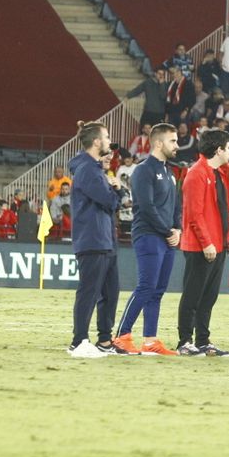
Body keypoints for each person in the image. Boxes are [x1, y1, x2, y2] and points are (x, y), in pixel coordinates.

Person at [66, 122, 133, 358]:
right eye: (106, 137)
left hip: (105, 239)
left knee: (110, 291)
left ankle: (105, 340)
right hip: (92, 239)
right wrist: (118, 190)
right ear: (96, 142)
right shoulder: (88, 169)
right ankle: (79, 340)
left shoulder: (92, 168)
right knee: (89, 291)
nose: (109, 141)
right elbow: (109, 201)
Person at [115, 123, 182, 356]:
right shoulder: (143, 170)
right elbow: (146, 206)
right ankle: (122, 337)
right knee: (146, 287)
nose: (177, 145)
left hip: (166, 237)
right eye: (173, 141)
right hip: (149, 235)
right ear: (158, 143)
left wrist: (178, 229)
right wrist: (168, 231)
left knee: (158, 290)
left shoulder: (169, 172)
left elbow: (175, 206)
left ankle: (150, 340)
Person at [176, 128, 229, 356]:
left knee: (209, 296)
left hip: (217, 245)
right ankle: (184, 341)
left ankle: (203, 340)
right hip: (201, 247)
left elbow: (223, 210)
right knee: (193, 295)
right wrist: (207, 242)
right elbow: (194, 214)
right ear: (219, 149)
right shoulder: (196, 173)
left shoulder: (218, 174)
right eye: (228, 148)